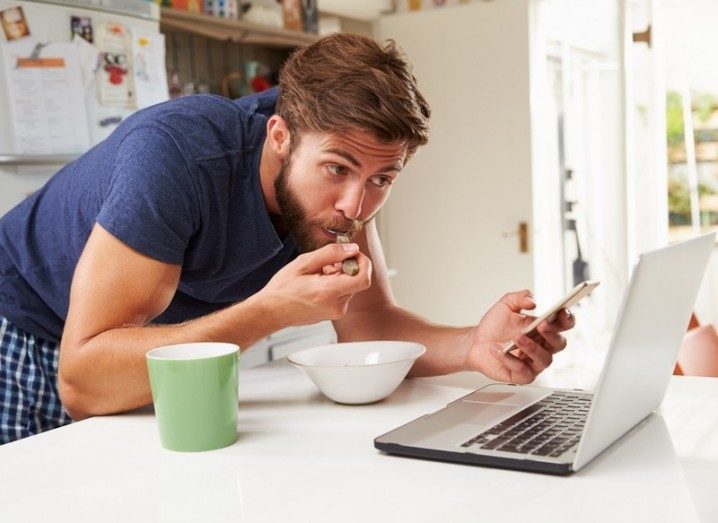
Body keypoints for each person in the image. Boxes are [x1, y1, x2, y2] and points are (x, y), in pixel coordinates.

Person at [0, 33, 574, 444]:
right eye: (338, 169)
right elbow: (84, 380)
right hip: (29, 329)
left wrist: (474, 344)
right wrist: (269, 312)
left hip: (141, 355)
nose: (356, 205)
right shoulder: (177, 158)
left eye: (382, 178)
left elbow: (368, 330)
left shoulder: (343, 190)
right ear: (280, 136)